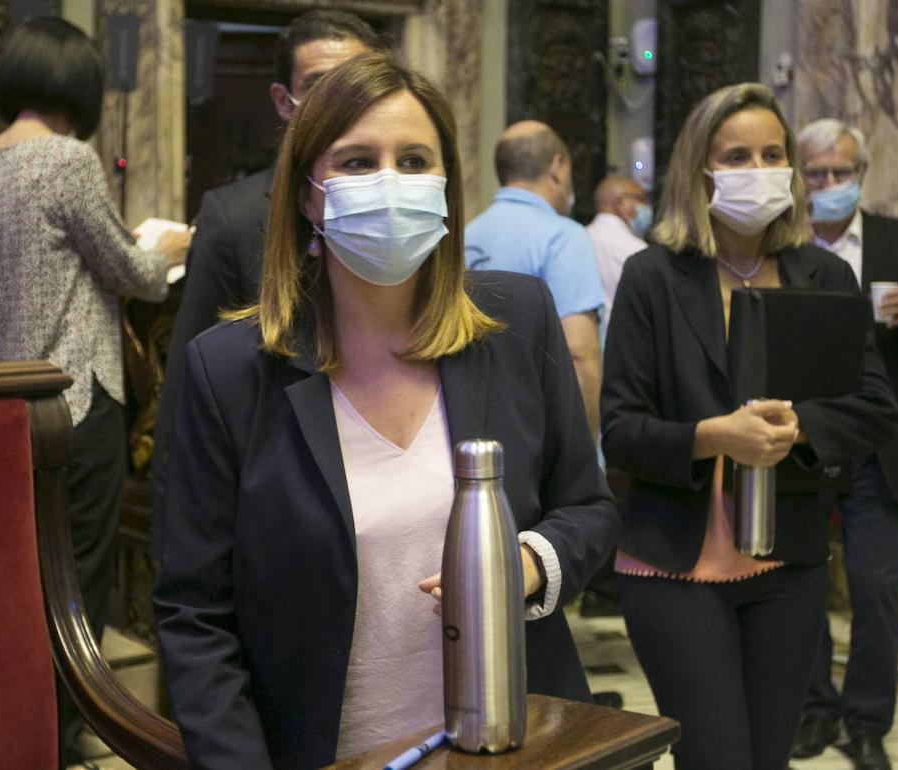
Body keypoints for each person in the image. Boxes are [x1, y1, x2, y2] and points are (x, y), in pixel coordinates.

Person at [153, 53, 619, 769]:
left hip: (513, 743)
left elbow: (587, 510)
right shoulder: (228, 370)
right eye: (357, 162)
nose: (390, 185)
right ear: (309, 194)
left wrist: (525, 563)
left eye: (413, 161)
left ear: (446, 186)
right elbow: (195, 619)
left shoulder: (516, 321)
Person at [601, 83, 898, 770]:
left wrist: (796, 426)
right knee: (717, 759)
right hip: (672, 562)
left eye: (773, 153)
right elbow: (619, 430)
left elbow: (875, 404)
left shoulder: (821, 274)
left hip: (786, 560)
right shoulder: (653, 277)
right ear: (699, 170)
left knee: (768, 761)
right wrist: (715, 436)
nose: (759, 168)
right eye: (738, 155)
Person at [0, 17, 190, 765]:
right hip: (78, 395)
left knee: (25, 573)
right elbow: (133, 273)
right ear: (78, 85)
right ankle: (60, 733)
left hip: (9, 397)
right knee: (77, 578)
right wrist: (167, 250)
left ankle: (26, 723)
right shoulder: (67, 159)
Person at [151, 10, 384, 557]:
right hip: (280, 502)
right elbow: (188, 387)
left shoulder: (409, 204)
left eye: (355, 83)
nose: (340, 103)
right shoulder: (233, 217)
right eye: (319, 87)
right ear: (284, 101)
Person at [790, 119, 898, 770]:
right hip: (804, 437)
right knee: (802, 584)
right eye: (817, 174)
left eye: (841, 173)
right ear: (800, 179)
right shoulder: (783, 242)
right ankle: (814, 709)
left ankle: (866, 722)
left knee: (876, 589)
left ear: (862, 175)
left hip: (881, 440)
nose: (829, 185)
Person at [465, 121, 605, 434]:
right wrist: (583, 456)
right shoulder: (563, 237)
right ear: (557, 167)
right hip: (539, 435)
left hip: (472, 429)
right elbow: (579, 354)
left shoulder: (464, 236)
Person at [586, 175, 651, 322]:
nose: (645, 207)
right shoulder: (637, 250)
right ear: (620, 203)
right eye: (639, 199)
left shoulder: (581, 238)